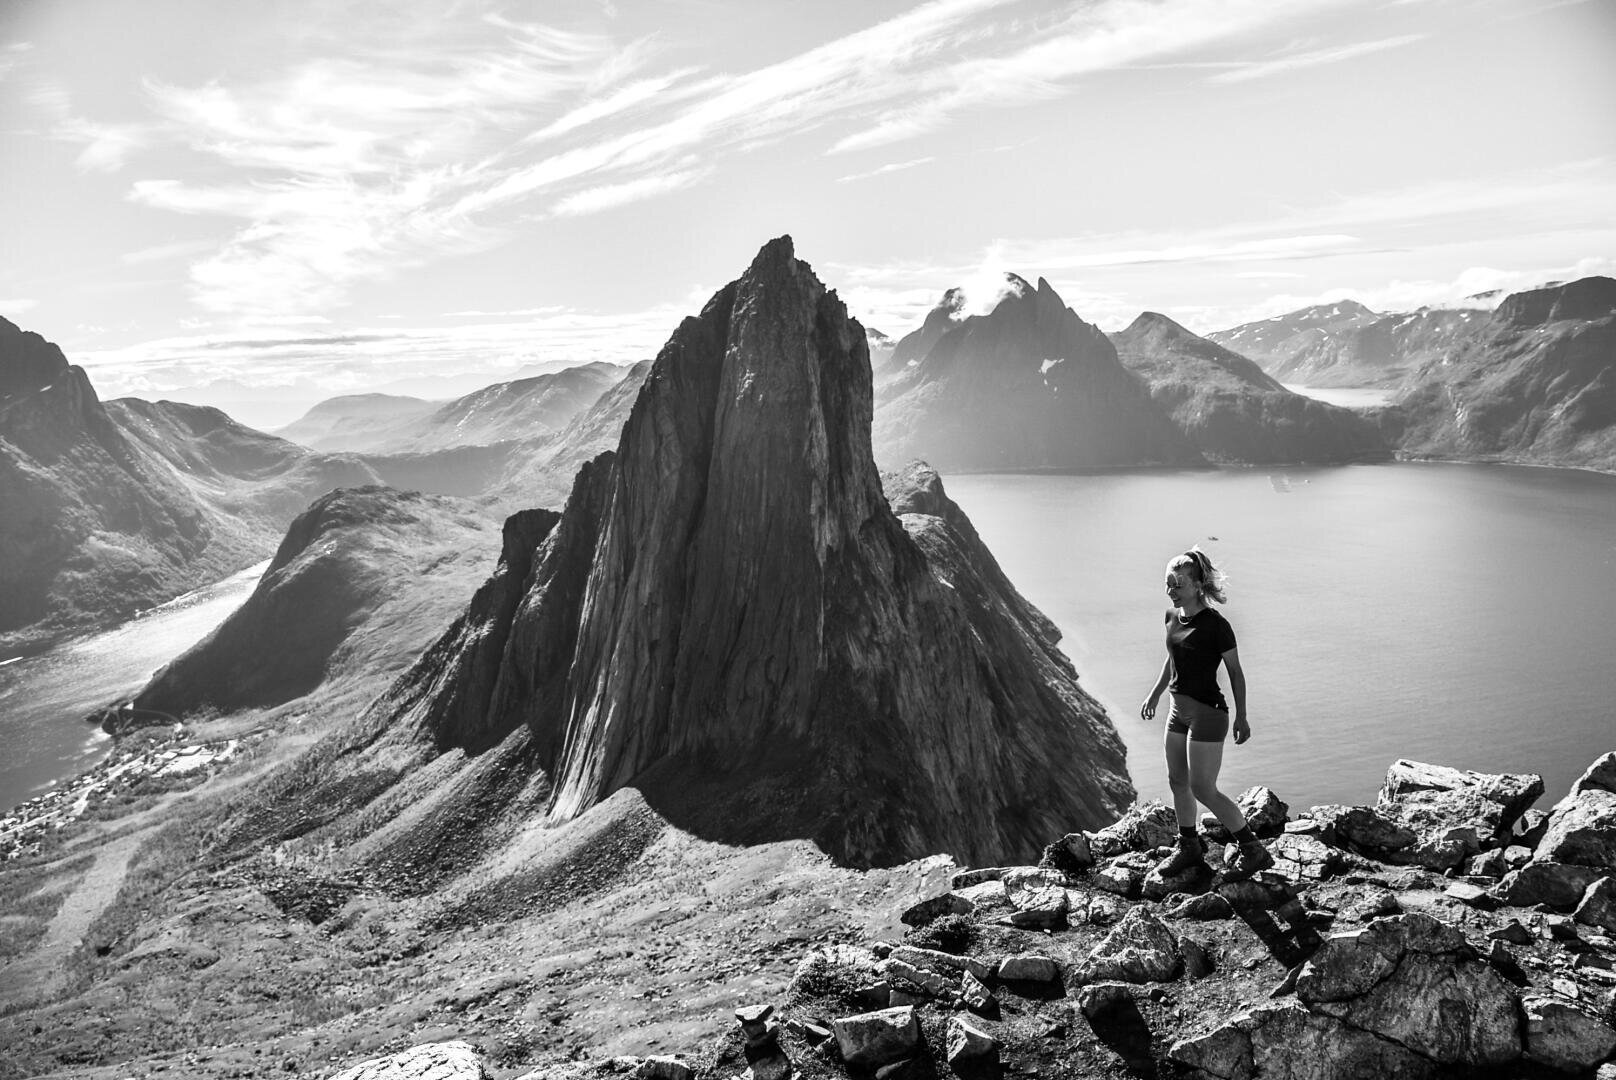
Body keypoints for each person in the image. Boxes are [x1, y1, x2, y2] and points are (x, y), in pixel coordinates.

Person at [1140, 548, 1274, 881]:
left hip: (1208, 715)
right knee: (1177, 781)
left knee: (1203, 788)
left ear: (1199, 584)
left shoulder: (1217, 626)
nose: (1171, 589)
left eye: (1178, 582)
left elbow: (1235, 673)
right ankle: (1189, 847)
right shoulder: (1172, 616)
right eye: (1168, 582)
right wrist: (1155, 694)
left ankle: (1252, 849)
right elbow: (1173, 658)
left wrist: (1242, 717)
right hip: (1177, 710)